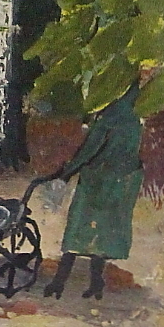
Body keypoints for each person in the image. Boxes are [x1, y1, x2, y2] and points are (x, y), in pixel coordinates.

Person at [43, 80, 146, 302]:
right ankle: (96, 284)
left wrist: (66, 173)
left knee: (76, 234)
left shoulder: (108, 119)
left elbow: (88, 151)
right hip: (122, 183)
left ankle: (59, 283)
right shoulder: (135, 120)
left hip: (97, 182)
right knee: (101, 235)